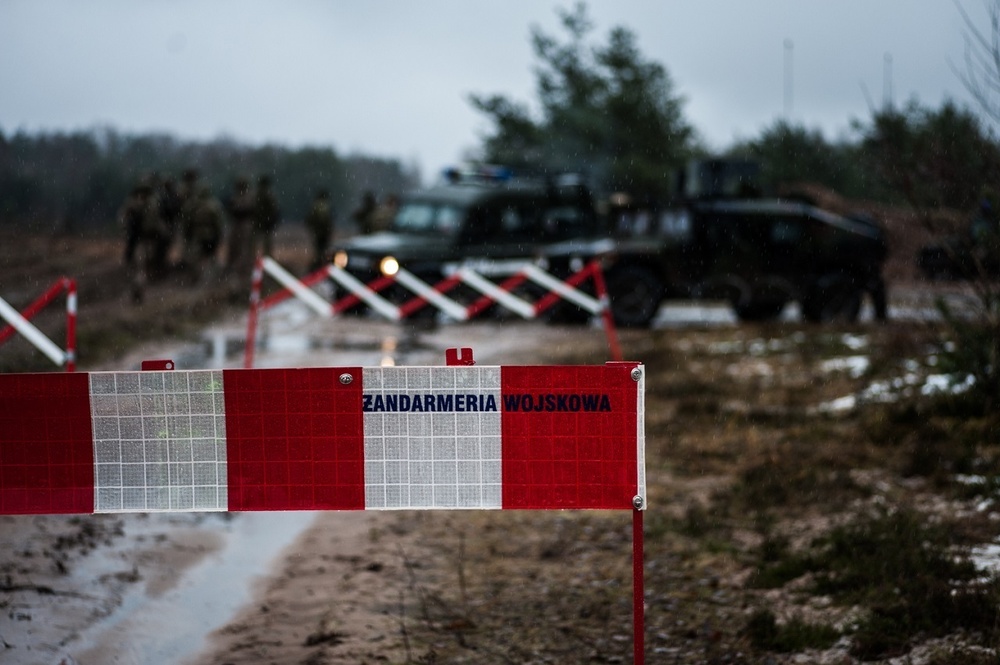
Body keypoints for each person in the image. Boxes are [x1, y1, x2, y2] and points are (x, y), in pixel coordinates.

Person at [182, 185, 225, 284]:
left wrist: (187, 234)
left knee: (196, 258)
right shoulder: (214, 206)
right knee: (211, 257)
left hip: (198, 235)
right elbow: (218, 223)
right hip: (210, 235)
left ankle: (198, 278)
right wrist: (219, 235)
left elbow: (187, 222)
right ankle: (210, 279)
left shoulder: (193, 206)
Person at [225, 176, 256, 275]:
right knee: (234, 245)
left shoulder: (249, 196)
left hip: (245, 223)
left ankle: (244, 267)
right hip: (236, 223)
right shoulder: (236, 197)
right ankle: (233, 266)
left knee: (245, 246)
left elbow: (251, 209)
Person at [304, 188, 334, 269]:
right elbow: (328, 220)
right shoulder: (326, 206)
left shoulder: (315, 205)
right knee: (323, 249)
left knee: (318, 249)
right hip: (324, 231)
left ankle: (318, 265)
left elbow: (310, 219)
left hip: (318, 231)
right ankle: (322, 265)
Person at [252, 175, 281, 258]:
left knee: (255, 245)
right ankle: (267, 261)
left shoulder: (256, 195)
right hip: (265, 224)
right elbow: (274, 210)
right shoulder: (269, 196)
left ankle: (256, 261)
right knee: (266, 246)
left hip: (259, 224)